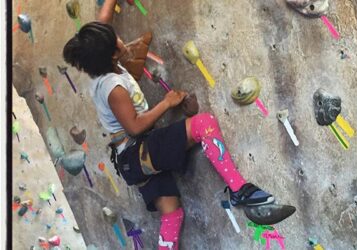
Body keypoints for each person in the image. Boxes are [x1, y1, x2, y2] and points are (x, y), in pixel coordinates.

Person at [63, 1, 276, 249]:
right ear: (112, 53)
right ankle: (239, 188)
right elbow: (134, 126)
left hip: (132, 162)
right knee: (203, 124)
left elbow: (103, 22)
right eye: (117, 40)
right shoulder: (113, 88)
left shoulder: (98, 61)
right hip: (138, 151)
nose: (121, 39)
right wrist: (166, 102)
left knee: (172, 214)